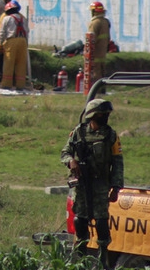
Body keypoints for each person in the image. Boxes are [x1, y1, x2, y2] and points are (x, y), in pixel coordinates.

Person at [61, 98, 124, 266]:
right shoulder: (78, 133)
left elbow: (118, 162)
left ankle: (103, 261)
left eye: (106, 114)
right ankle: (81, 260)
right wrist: (71, 161)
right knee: (80, 221)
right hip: (82, 184)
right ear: (93, 116)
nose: (105, 117)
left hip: (101, 184)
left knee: (102, 222)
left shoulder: (111, 135)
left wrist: (116, 187)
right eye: (102, 114)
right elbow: (65, 152)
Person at [0, 0, 29, 89]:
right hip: (23, 42)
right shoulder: (23, 19)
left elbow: (2, 33)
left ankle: (6, 85)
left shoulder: (7, 18)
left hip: (11, 41)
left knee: (9, 63)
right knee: (21, 64)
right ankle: (20, 85)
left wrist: (0, 44)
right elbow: (27, 32)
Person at [88, 2, 111, 81]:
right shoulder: (106, 22)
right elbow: (108, 39)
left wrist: (87, 51)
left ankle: (96, 91)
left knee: (95, 73)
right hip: (103, 54)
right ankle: (102, 90)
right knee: (102, 72)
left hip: (95, 54)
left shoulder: (94, 23)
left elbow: (90, 39)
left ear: (94, 12)